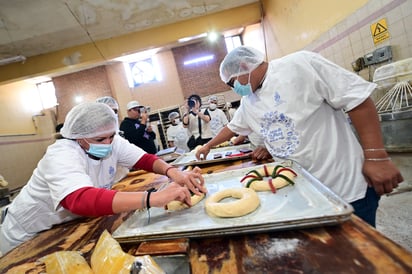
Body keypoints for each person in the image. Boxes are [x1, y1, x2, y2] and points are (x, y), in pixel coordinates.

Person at [195, 46, 403, 227]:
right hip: (301, 194)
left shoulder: (301, 65)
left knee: (361, 257)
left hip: (344, 186)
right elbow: (232, 128)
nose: (235, 89)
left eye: (233, 83)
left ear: (243, 65)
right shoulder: (249, 101)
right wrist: (208, 146)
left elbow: (358, 100)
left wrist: (377, 157)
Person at [0, 102, 206, 254]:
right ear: (78, 137)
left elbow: (144, 159)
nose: (107, 143)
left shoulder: (111, 141)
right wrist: (152, 198)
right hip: (27, 235)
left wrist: (174, 172)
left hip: (63, 228)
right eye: (100, 139)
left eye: (111, 136)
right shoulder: (61, 154)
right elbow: (79, 199)